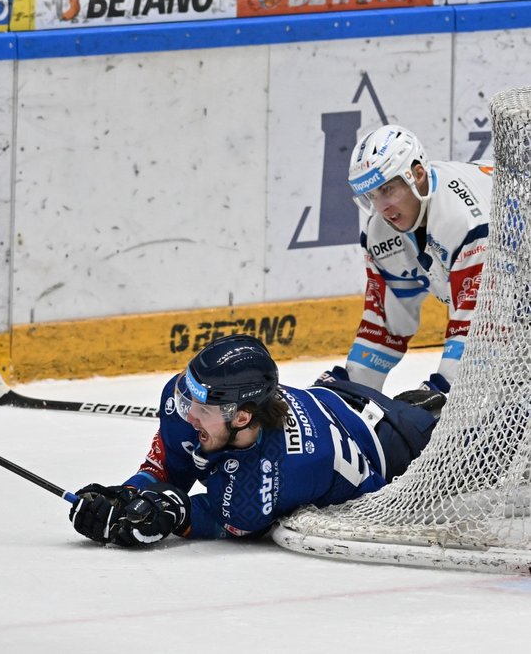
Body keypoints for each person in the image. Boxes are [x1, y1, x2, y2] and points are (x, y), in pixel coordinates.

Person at [69, 334, 442, 546]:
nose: (187, 414)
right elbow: (167, 469)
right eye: (188, 399)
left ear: (242, 416)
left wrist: (168, 516)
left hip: (398, 447)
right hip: (344, 397)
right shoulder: (195, 404)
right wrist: (124, 497)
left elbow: (221, 516)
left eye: (200, 408)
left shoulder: (271, 479)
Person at [325, 124, 493, 401]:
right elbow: (387, 326)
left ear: (417, 173)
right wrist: (351, 388)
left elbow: (480, 334)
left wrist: (442, 391)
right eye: (372, 195)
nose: (382, 208)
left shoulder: (465, 222)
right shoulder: (380, 231)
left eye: (388, 189)